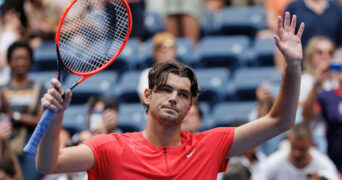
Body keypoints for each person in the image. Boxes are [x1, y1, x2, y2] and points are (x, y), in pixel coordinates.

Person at [36, 12, 304, 179]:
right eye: (165, 89)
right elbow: (49, 164)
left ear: (190, 107)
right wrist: (56, 118)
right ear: (147, 96)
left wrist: (292, 66)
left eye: (183, 94)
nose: (174, 97)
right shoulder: (110, 148)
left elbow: (280, 121)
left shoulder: (208, 147)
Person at [0, 41, 46, 180]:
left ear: (31, 61)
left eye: (25, 58)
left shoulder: (39, 88)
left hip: (31, 145)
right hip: (5, 143)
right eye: (16, 58)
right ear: (9, 61)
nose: (21, 62)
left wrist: (13, 115)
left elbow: (41, 121)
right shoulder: (2, 88)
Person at [263, 122, 339, 180]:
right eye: (294, 147)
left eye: (302, 149)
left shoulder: (323, 164)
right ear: (289, 141)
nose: (297, 153)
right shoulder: (274, 162)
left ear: (311, 144)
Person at [137, 31, 178, 102]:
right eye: (159, 47)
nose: (165, 50)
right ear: (154, 52)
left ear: (175, 50)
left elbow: (191, 98)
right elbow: (145, 99)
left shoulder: (185, 72)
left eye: (169, 47)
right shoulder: (147, 74)